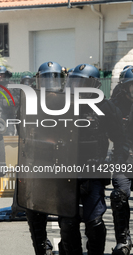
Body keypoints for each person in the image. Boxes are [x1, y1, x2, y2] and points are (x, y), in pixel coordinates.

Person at [58, 64, 127, 255]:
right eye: (74, 82)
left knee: (94, 221)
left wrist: (119, 164)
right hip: (67, 172)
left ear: (94, 85)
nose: (76, 87)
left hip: (94, 172)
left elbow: (119, 139)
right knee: (68, 222)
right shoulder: (62, 106)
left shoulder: (106, 107)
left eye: (81, 83)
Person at [24, 61, 66, 255]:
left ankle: (67, 243)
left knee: (65, 205)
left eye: (54, 78)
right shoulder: (30, 101)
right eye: (46, 79)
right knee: (34, 207)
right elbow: (22, 130)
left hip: (64, 160)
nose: (50, 83)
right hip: (38, 160)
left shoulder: (69, 100)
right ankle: (41, 245)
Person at [109, 67, 133, 255]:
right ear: (125, 88)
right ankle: (123, 240)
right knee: (118, 195)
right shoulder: (114, 106)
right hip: (123, 158)